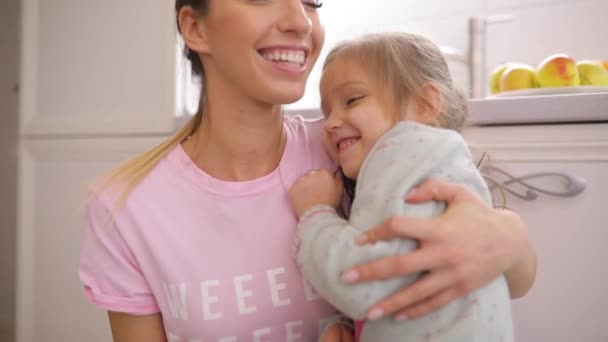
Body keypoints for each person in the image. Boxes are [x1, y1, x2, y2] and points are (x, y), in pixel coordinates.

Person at [78, 1, 537, 341]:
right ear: (195, 27)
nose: (300, 20)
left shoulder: (359, 149)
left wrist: (508, 238)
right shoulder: (125, 206)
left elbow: (517, 279)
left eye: (311, 1)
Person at [288, 32, 513, 341]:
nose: (329, 123)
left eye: (352, 100)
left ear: (424, 104)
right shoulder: (435, 163)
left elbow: (361, 281)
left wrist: (315, 213)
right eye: (327, 112)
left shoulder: (402, 151)